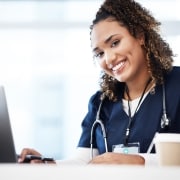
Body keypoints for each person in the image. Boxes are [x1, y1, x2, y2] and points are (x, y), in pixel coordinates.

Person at [18, 0, 180, 165]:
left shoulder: (177, 85)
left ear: (140, 35)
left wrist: (140, 161)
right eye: (100, 53)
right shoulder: (101, 102)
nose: (109, 59)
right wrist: (49, 165)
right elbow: (84, 161)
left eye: (115, 43)